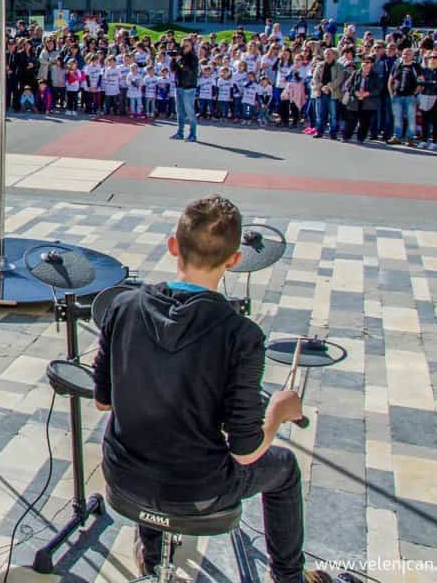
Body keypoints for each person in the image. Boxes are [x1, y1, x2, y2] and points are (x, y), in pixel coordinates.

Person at [93, 196, 331, 583]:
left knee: (152, 428)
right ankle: (289, 576)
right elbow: (246, 449)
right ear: (234, 260)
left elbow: (103, 401)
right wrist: (279, 411)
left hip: (122, 479)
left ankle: (152, 557)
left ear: (173, 246)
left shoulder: (122, 307)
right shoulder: (242, 335)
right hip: (199, 491)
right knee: (284, 468)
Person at [169, 37, 199, 141]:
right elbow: (172, 69)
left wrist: (180, 61)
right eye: (183, 45)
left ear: (191, 46)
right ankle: (180, 132)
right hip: (179, 85)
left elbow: (189, 71)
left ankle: (193, 134)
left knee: (189, 111)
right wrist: (174, 60)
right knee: (180, 111)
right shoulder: (179, 55)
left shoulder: (193, 57)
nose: (184, 48)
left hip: (189, 87)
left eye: (187, 46)